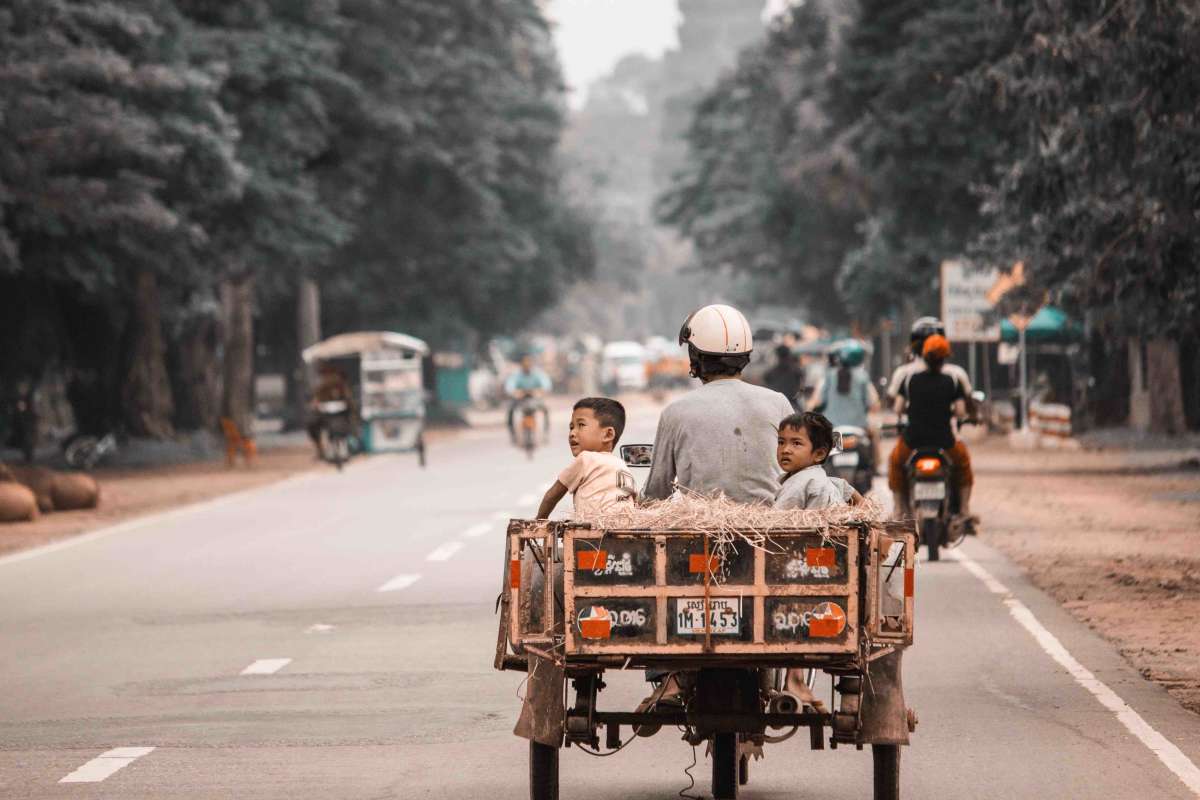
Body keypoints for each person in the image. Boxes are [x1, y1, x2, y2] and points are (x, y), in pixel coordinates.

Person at [642, 304, 794, 505]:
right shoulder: (778, 402)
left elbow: (656, 493)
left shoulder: (675, 412)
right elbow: (801, 472)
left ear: (695, 357)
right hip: (773, 528)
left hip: (702, 529)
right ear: (746, 355)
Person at [889, 334, 975, 522]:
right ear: (945, 358)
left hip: (913, 441)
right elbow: (961, 412)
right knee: (964, 464)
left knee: (895, 462)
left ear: (924, 355)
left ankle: (898, 510)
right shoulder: (952, 381)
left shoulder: (910, 379)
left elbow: (898, 408)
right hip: (944, 442)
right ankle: (964, 510)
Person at [537, 397, 636, 519]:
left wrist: (539, 520)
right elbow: (634, 499)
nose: (572, 433)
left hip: (592, 531)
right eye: (571, 427)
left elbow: (552, 495)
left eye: (581, 425)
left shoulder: (586, 459)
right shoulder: (622, 465)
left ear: (608, 434)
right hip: (625, 529)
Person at [774, 412, 846, 510]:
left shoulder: (800, 482)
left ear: (819, 454)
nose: (785, 450)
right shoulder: (815, 476)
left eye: (796, 443)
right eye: (781, 442)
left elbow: (777, 519)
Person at [306, 365, 356, 456]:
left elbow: (349, 401)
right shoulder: (321, 387)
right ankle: (320, 448)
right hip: (326, 415)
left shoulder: (341, 386)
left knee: (352, 422)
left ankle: (353, 442)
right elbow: (316, 400)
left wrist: (349, 407)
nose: (329, 377)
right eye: (326, 375)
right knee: (312, 424)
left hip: (341, 415)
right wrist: (315, 405)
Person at [505, 354, 552, 443]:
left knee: (545, 410)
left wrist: (540, 391)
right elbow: (509, 386)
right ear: (521, 364)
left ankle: (546, 433)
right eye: (525, 363)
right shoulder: (516, 374)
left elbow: (546, 384)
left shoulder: (538, 373)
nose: (527, 364)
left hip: (534, 399)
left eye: (528, 362)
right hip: (520, 399)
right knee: (510, 410)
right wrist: (515, 392)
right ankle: (513, 434)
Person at [764, 344, 805, 411]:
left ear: (777, 355)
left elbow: (766, 384)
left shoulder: (772, 372)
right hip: (792, 403)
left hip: (775, 404)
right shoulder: (796, 370)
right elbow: (801, 389)